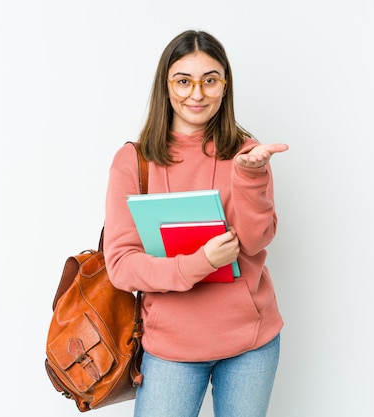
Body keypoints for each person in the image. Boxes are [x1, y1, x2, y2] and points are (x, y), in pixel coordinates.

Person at [103, 29, 289, 417]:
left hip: (250, 344)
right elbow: (121, 265)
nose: (197, 94)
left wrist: (250, 177)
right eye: (183, 81)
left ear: (225, 86)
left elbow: (255, 242)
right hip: (171, 348)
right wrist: (200, 262)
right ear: (166, 86)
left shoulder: (247, 153)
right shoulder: (133, 161)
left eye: (210, 80)